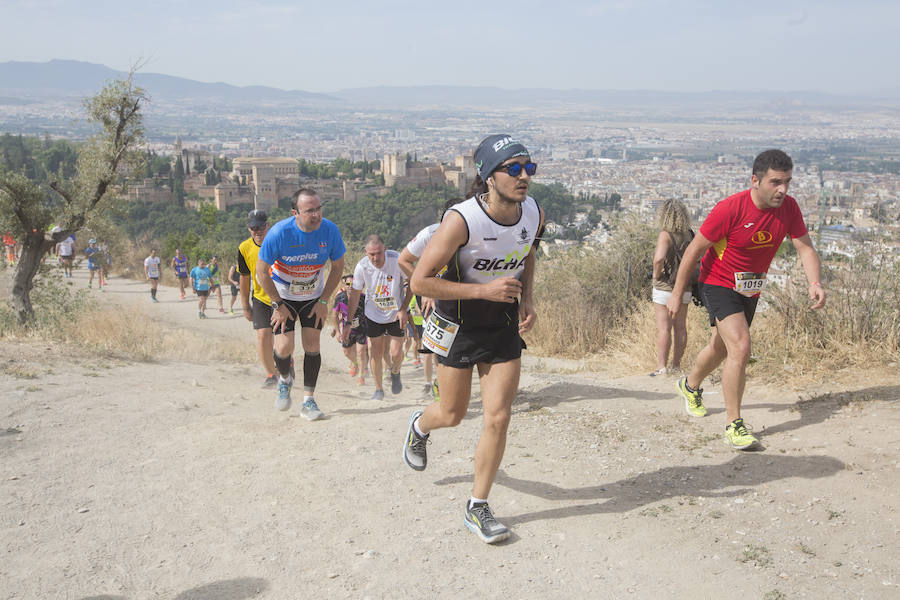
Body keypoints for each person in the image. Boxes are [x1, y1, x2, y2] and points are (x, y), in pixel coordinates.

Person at [404, 134, 544, 544]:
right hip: (458, 325)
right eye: (513, 169)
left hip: (501, 324)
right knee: (452, 413)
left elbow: (527, 252)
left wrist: (527, 298)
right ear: (488, 177)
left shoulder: (533, 211)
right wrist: (483, 291)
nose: (524, 177)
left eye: (529, 168)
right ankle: (419, 425)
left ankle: (478, 505)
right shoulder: (461, 221)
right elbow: (420, 281)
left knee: (498, 416)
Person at [667, 149, 826, 450]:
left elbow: (805, 248)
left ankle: (689, 385)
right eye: (775, 182)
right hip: (717, 282)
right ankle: (734, 424)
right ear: (755, 180)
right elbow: (694, 250)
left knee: (721, 348)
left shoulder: (789, 208)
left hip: (750, 288)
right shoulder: (730, 209)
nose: (783, 189)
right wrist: (677, 294)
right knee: (740, 346)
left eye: (787, 182)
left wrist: (814, 282)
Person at [256, 188, 346, 421]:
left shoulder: (330, 230)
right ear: (295, 213)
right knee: (284, 347)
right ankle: (285, 379)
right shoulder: (279, 233)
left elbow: (338, 267)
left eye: (318, 209)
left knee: (312, 344)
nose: (316, 215)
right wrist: (277, 304)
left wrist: (324, 300)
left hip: (313, 296)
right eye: (309, 211)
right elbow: (261, 272)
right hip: (283, 296)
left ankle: (308, 400)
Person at [398, 198, 464, 400]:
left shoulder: (475, 231)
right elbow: (403, 260)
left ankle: (446, 385)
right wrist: (425, 288)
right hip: (432, 298)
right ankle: (438, 387)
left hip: (460, 294)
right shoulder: (430, 233)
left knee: (458, 345)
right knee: (437, 346)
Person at [344, 235, 410, 401]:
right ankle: (378, 389)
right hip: (373, 314)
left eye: (379, 253)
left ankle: (395, 371)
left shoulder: (397, 260)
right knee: (376, 352)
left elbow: (413, 281)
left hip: (395, 313)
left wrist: (404, 309)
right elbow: (355, 295)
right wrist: (348, 322)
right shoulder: (362, 266)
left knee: (396, 353)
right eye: (371, 254)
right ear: (365, 252)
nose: (375, 258)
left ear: (385, 249)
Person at [650, 199, 695, 376]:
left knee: (664, 328)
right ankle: (676, 365)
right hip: (684, 286)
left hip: (665, 286)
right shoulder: (689, 235)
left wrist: (656, 275)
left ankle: (661, 366)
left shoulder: (666, 235)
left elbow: (658, 259)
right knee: (680, 328)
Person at [238, 210, 280, 388]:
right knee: (263, 336)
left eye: (261, 227)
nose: (257, 231)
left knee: (282, 339)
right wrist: (245, 305)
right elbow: (244, 277)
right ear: (248, 228)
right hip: (260, 298)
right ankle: (271, 374)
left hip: (281, 298)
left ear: (267, 225)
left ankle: (286, 362)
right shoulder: (244, 248)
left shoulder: (278, 242)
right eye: (253, 228)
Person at [332, 273, 369, 385]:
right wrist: (337, 331)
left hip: (362, 329)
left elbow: (370, 314)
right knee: (347, 352)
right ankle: (356, 363)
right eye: (348, 284)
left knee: (361, 351)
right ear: (344, 285)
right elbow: (334, 315)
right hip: (347, 330)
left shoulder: (363, 298)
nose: (350, 286)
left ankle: (361, 376)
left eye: (353, 284)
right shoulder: (340, 297)